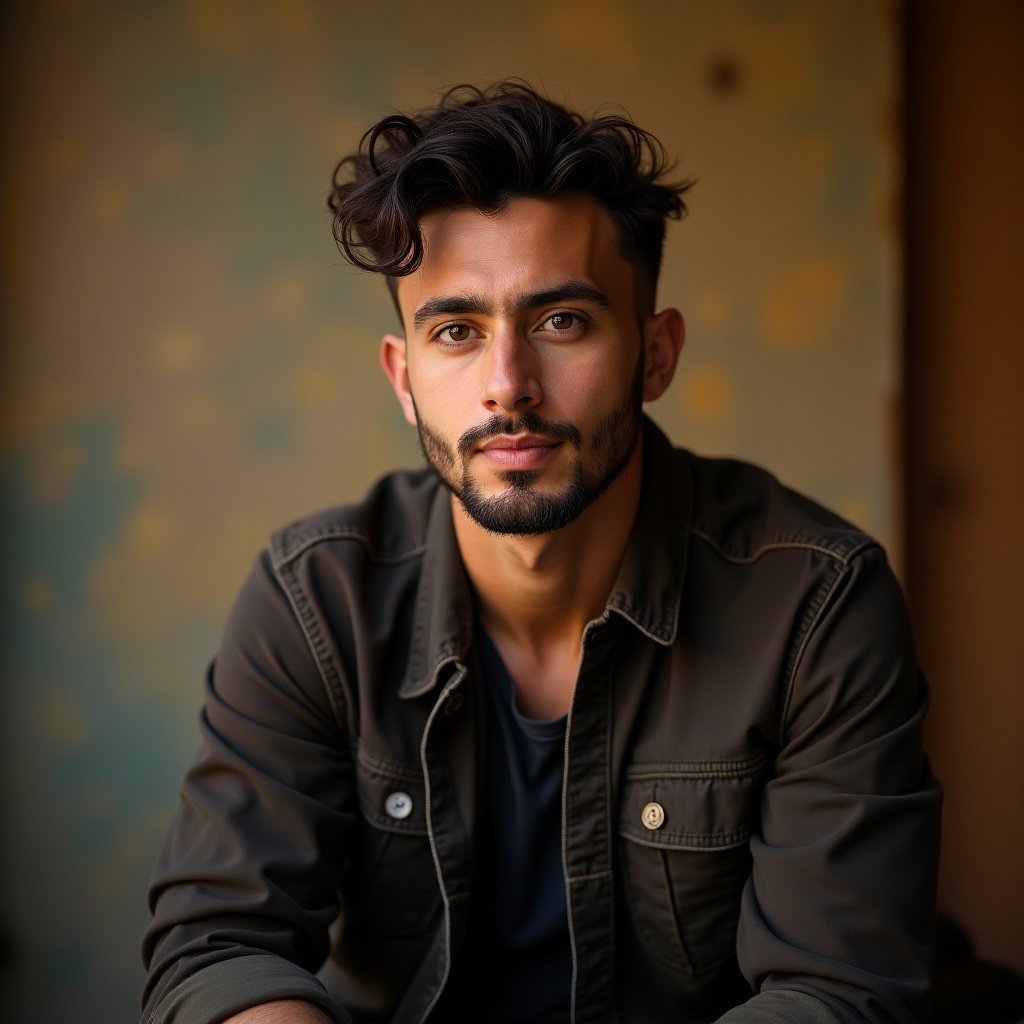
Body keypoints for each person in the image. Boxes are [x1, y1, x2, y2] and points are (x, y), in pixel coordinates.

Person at [141, 81, 941, 1024]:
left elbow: (836, 993)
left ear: (655, 353)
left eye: (562, 321)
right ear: (404, 378)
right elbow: (220, 948)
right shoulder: (315, 600)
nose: (507, 387)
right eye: (455, 331)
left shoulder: (817, 605)